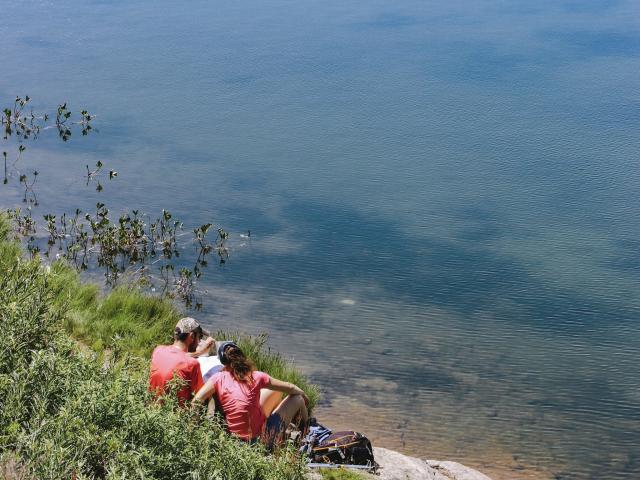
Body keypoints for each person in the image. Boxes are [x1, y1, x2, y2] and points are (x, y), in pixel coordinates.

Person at [193, 341, 309, 447]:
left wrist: (193, 429)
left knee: (273, 391)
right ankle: (306, 430)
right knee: (298, 398)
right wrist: (304, 395)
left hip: (232, 441)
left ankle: (275, 426)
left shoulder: (218, 378)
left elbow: (196, 400)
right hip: (260, 442)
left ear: (223, 363)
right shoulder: (257, 376)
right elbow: (290, 387)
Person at [149, 317, 206, 405]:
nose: (199, 342)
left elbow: (178, 356)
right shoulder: (192, 363)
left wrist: (199, 352)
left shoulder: (157, 350)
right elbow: (200, 396)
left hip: (151, 406)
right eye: (199, 337)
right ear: (192, 336)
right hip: (175, 414)